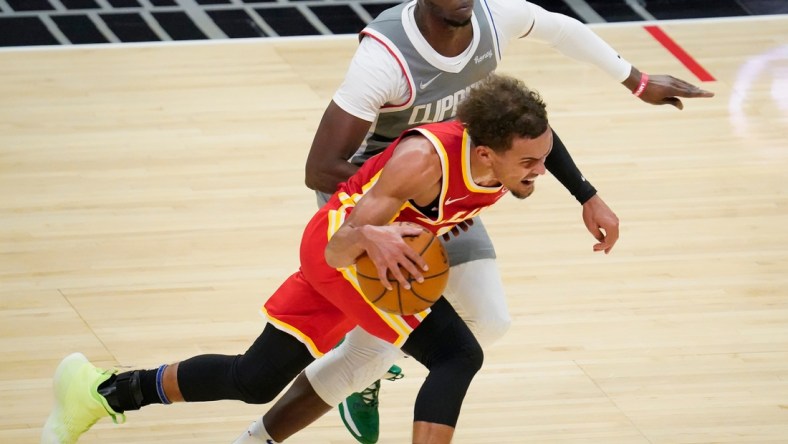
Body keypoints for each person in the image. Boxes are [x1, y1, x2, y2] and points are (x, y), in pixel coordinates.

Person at [273, 0, 715, 442]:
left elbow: (560, 31)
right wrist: (425, 208)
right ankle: (344, 376)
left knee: (490, 322)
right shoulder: (384, 59)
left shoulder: (494, 17)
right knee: (448, 352)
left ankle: (363, 362)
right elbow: (321, 167)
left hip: (450, 179)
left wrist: (636, 85)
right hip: (374, 200)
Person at [45, 73, 560, 444]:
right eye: (530, 162)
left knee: (255, 378)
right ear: (487, 151)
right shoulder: (422, 161)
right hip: (342, 250)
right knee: (458, 355)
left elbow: (540, 152)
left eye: (544, 156)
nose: (541, 169)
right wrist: (372, 235)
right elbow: (342, 244)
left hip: (359, 262)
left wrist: (587, 196)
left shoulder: (505, 157)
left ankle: (103, 391)